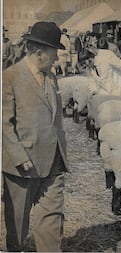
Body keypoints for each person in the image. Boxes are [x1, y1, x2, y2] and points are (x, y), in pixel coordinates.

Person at [2, 21, 69, 252]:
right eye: (54, 54)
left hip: (53, 160)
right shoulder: (9, 77)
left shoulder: (51, 77)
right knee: (18, 228)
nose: (57, 59)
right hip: (22, 165)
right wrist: (19, 155)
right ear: (40, 53)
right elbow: (4, 123)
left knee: (51, 221)